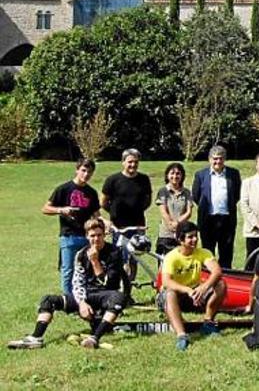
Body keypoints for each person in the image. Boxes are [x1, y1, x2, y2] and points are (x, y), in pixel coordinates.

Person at [8, 219, 125, 350]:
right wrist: (81, 303)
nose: (96, 239)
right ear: (87, 236)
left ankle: (94, 338)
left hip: (106, 295)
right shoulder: (81, 254)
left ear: (104, 235)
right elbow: (77, 282)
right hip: (88, 295)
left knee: (119, 297)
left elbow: (110, 282)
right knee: (48, 300)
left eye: (99, 235)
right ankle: (36, 338)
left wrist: (95, 261)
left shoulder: (114, 252)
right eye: (92, 236)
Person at [157, 222, 227, 351]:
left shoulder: (203, 252)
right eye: (190, 237)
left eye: (196, 236)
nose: (195, 240)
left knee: (221, 285)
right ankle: (181, 335)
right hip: (175, 295)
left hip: (195, 294)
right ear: (180, 239)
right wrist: (188, 290)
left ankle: (208, 321)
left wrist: (204, 287)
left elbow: (217, 271)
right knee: (170, 293)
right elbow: (166, 282)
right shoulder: (171, 257)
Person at [43, 157, 101, 294]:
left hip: (87, 237)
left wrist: (103, 223)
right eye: (83, 170)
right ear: (77, 170)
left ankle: (85, 297)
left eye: (89, 172)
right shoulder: (63, 189)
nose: (86, 174)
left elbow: (96, 214)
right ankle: (68, 300)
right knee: (68, 269)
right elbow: (45, 208)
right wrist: (61, 210)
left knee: (87, 268)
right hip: (69, 236)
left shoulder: (91, 192)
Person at [101, 148, 152, 296]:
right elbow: (103, 202)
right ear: (123, 162)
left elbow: (147, 200)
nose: (133, 165)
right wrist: (114, 213)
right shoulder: (112, 180)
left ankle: (128, 292)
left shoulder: (144, 179)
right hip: (119, 227)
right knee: (121, 258)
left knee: (134, 259)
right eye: (130, 162)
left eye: (136, 162)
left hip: (138, 225)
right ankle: (120, 291)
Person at [191, 145, 242, 269]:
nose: (217, 161)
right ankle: (209, 281)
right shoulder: (200, 175)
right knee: (208, 252)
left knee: (226, 252)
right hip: (208, 220)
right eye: (214, 158)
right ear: (209, 159)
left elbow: (236, 195)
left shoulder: (233, 174)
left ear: (224, 159)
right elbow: (196, 196)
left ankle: (225, 280)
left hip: (227, 219)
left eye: (220, 158)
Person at [155, 162, 193, 256]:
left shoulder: (187, 192)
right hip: (166, 234)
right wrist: (171, 224)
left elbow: (188, 212)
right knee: (164, 265)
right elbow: (163, 211)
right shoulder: (163, 191)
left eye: (178, 173)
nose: (175, 176)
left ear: (182, 175)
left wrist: (177, 223)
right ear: (167, 175)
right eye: (172, 173)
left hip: (182, 234)